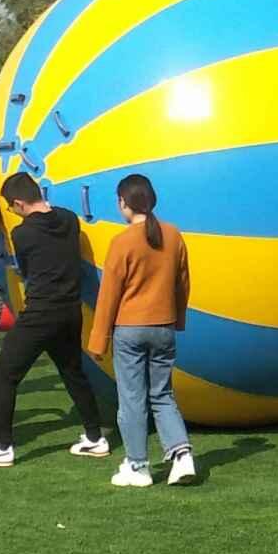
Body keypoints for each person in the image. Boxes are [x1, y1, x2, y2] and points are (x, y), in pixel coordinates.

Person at [0, 172, 108, 468]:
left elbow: (27, 271)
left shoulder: (23, 234)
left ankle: (1, 445)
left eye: (11, 207)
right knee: (73, 373)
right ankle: (95, 437)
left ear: (18, 203)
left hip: (41, 313)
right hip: (70, 311)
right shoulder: (69, 219)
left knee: (3, 376)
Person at [87, 173, 195, 488]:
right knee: (162, 394)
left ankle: (137, 465)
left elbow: (109, 295)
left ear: (124, 202)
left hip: (130, 330)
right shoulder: (173, 235)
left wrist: (98, 340)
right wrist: (177, 319)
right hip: (164, 327)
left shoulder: (121, 242)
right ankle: (182, 454)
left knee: (132, 399)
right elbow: (183, 283)